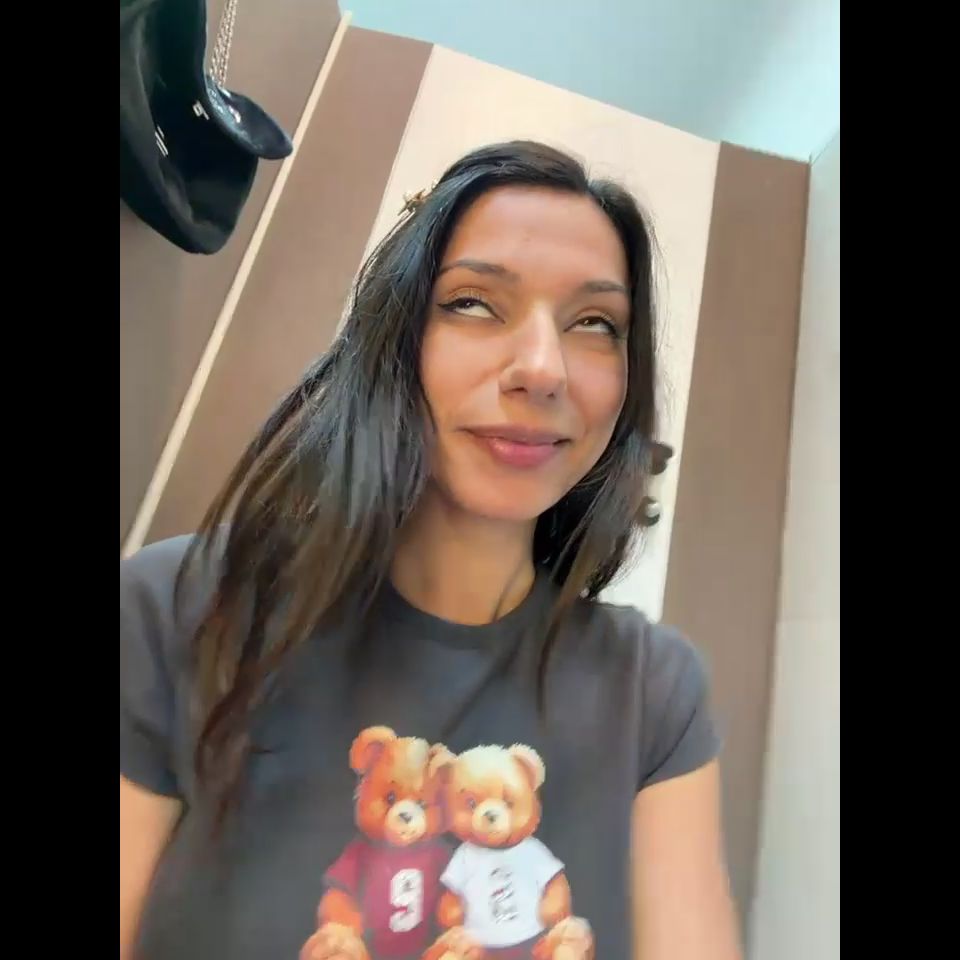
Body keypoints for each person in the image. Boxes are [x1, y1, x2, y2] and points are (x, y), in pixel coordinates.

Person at [120, 140, 742, 960]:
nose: (543, 369)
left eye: (595, 323)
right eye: (474, 303)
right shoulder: (178, 607)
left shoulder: (654, 691)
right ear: (394, 338)